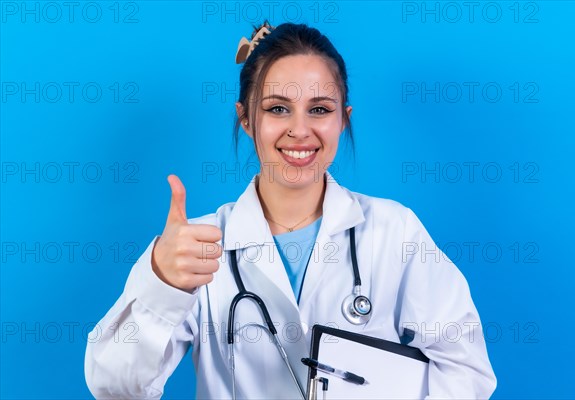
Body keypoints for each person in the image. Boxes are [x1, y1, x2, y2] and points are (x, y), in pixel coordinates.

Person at [84, 21, 497, 399]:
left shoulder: (394, 231)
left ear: (343, 120)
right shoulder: (194, 246)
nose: (300, 130)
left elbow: (466, 371)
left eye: (319, 109)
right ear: (245, 119)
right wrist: (163, 284)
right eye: (277, 108)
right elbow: (114, 387)